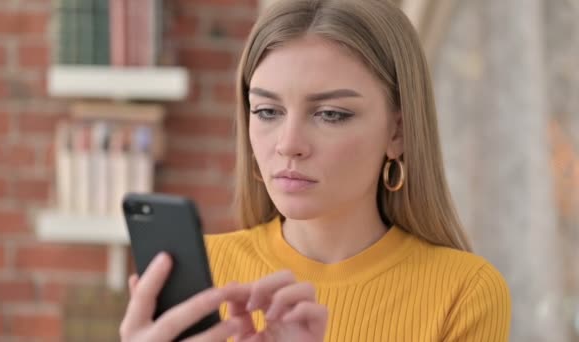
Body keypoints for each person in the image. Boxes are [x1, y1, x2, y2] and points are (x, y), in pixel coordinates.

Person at [119, 0, 512, 341]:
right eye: (267, 111)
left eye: (331, 114)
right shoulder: (202, 275)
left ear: (398, 132)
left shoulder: (465, 292)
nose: (288, 144)